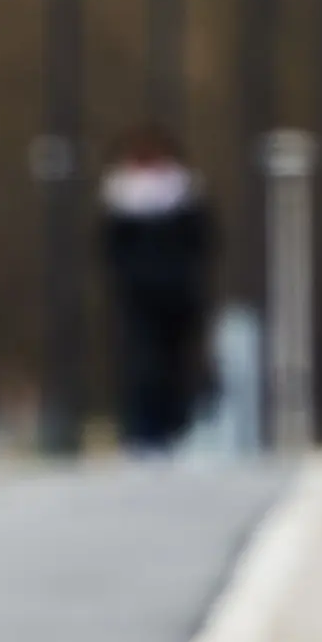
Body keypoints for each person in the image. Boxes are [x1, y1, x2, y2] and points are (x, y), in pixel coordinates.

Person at [99, 125, 216, 453]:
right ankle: (145, 430)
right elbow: (111, 248)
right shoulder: (121, 197)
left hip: (177, 293)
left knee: (175, 361)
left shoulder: (185, 194)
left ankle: (176, 427)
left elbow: (203, 240)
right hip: (140, 296)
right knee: (143, 363)